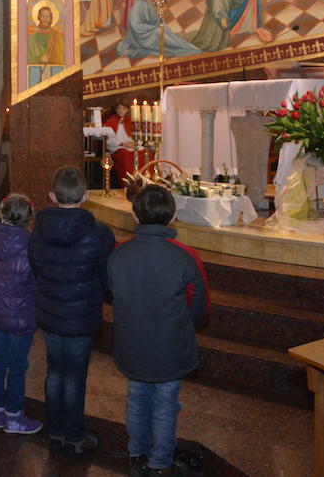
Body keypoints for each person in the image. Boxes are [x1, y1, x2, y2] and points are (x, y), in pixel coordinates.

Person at [108, 185, 210, 476]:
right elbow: (200, 304)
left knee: (137, 399)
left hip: (132, 342)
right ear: (173, 216)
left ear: (134, 216)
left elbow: (113, 291)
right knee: (165, 405)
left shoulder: (119, 253)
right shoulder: (185, 256)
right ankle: (161, 465)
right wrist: (182, 326)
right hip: (169, 344)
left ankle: (137, 456)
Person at [29, 166, 114, 456]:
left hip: (51, 311)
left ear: (52, 195)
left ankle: (55, 432)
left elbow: (36, 268)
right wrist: (103, 296)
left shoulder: (38, 231)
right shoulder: (100, 234)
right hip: (81, 315)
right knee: (75, 377)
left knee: (54, 373)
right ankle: (76, 437)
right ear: (86, 196)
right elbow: (107, 277)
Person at [0, 193, 43, 435]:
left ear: (1, 213)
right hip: (21, 316)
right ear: (29, 218)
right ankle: (14, 416)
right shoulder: (30, 245)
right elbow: (36, 279)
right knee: (17, 366)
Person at [117, 0, 201, 60]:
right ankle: (181, 47)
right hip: (141, 36)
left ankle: (182, 45)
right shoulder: (137, 7)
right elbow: (136, 26)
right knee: (158, 32)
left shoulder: (148, 5)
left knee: (163, 27)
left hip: (148, 31)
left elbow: (153, 20)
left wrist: (159, 20)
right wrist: (151, 28)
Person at [102, 101, 136, 182]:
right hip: (117, 147)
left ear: (127, 110)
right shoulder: (111, 121)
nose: (121, 111)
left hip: (130, 145)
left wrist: (134, 143)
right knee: (125, 154)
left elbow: (135, 135)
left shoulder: (129, 121)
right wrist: (123, 143)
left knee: (144, 152)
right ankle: (127, 180)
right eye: (119, 108)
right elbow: (109, 141)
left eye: (124, 108)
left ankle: (141, 180)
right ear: (116, 109)